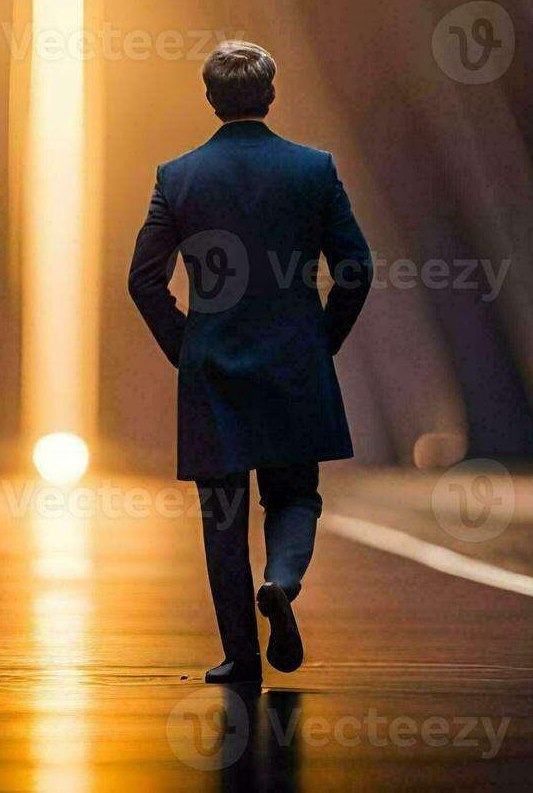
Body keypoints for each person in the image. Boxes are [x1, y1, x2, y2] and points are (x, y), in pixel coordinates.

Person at [127, 40, 372, 685]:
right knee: (295, 495)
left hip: (213, 370)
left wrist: (189, 347)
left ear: (210, 100)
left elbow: (143, 282)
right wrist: (321, 342)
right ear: (271, 95)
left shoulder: (177, 177)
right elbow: (358, 269)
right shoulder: (313, 170)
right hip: (294, 363)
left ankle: (241, 658)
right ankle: (282, 583)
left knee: (222, 516)